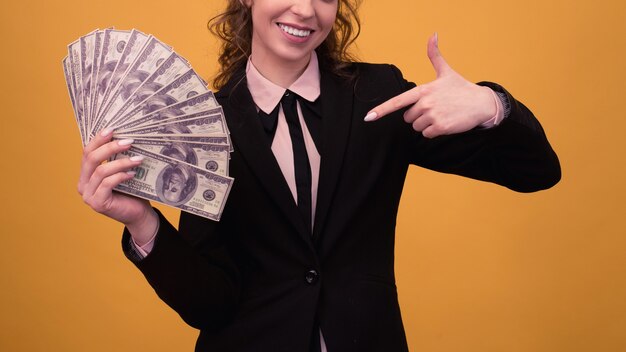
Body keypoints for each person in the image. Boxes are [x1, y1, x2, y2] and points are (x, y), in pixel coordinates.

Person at [77, 0, 561, 351]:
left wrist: (491, 105)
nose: (305, 10)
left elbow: (536, 172)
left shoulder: (378, 95)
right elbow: (210, 306)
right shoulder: (205, 126)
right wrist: (143, 225)